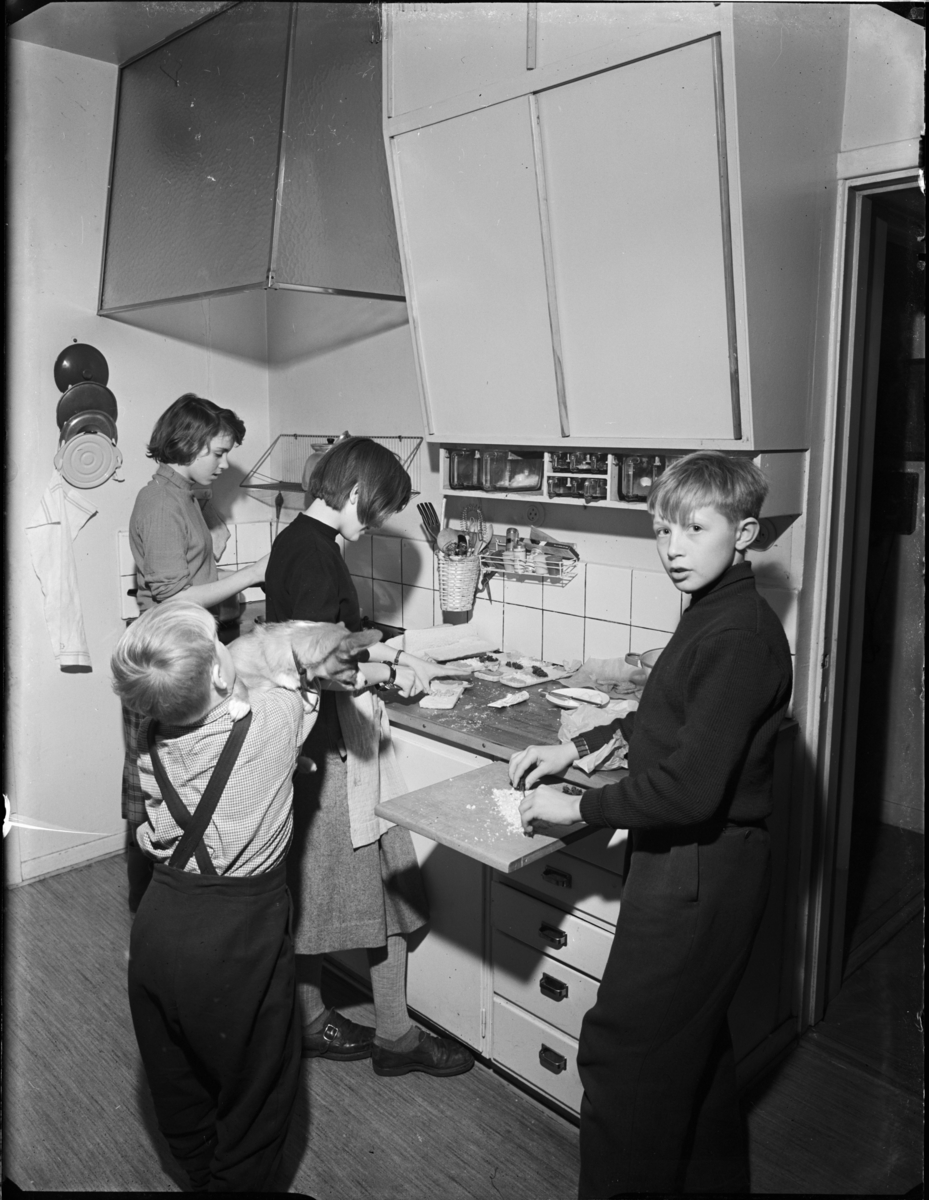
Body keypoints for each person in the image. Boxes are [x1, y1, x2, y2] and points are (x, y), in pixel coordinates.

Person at [509, 451, 792, 1197]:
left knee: (623, 1059)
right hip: (695, 864)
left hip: (698, 870)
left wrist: (578, 805)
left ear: (744, 533)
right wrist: (576, 747)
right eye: (662, 529)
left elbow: (689, 790)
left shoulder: (736, 635)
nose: (672, 548)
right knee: (690, 1053)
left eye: (694, 529)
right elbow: (664, 714)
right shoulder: (713, 609)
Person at [264, 436, 475, 1078]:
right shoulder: (313, 552)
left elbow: (325, 636)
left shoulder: (306, 541)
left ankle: (355, 1026)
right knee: (373, 887)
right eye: (377, 508)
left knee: (340, 889)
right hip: (329, 748)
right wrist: (386, 671)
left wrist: (392, 651)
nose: (377, 522)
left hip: (326, 742)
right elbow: (316, 663)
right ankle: (390, 1036)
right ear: (354, 491)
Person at [111, 599, 321, 1192]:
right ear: (221, 672)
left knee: (178, 1083)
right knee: (258, 1094)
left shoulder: (149, 733)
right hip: (237, 943)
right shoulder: (272, 718)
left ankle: (204, 1181)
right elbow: (309, 667)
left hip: (157, 930)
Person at [121, 394, 269, 913]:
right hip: (167, 657)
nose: (224, 464)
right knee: (157, 794)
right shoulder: (160, 503)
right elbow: (173, 598)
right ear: (188, 443)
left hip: (190, 647)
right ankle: (149, 917)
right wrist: (252, 575)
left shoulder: (182, 494)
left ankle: (178, 911)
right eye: (219, 453)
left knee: (183, 788)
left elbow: (196, 563)